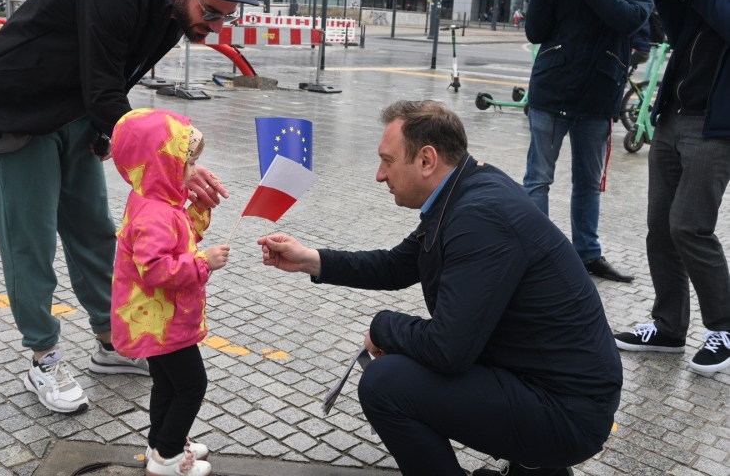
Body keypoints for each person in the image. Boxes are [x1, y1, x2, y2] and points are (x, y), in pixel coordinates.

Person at [0, 0, 257, 413]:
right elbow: (104, 88)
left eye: (228, 16)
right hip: (15, 111)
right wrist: (179, 163)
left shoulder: (175, 14)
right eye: (211, 11)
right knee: (30, 244)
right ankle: (43, 358)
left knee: (95, 233)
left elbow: (120, 79)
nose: (217, 26)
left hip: (75, 112)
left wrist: (106, 134)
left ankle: (111, 342)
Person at [258, 100, 622, 476]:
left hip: (566, 411)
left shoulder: (479, 216)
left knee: (385, 383)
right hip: (549, 386)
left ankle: (538, 460)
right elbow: (396, 265)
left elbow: (448, 349)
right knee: (405, 364)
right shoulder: (468, 188)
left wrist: (383, 327)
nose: (379, 175)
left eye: (387, 161)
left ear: (426, 160)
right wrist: (308, 259)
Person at [523, 0, 654, 283]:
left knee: (588, 185)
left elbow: (630, 19)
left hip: (598, 98)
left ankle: (588, 255)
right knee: (537, 180)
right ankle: (538, 256)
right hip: (551, 93)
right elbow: (535, 31)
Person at [614, 0, 730, 374]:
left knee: (689, 228)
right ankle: (668, 327)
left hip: (714, 129)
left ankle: (724, 328)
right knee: (661, 229)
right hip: (672, 118)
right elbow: (677, 34)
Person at [110, 109, 228, 476]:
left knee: (166, 382)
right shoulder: (154, 214)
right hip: (164, 320)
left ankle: (161, 442)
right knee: (192, 385)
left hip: (158, 318)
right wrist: (204, 262)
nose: (193, 171)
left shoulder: (157, 200)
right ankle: (168, 458)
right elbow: (157, 268)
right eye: (187, 162)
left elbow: (179, 237)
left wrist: (200, 209)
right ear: (161, 163)